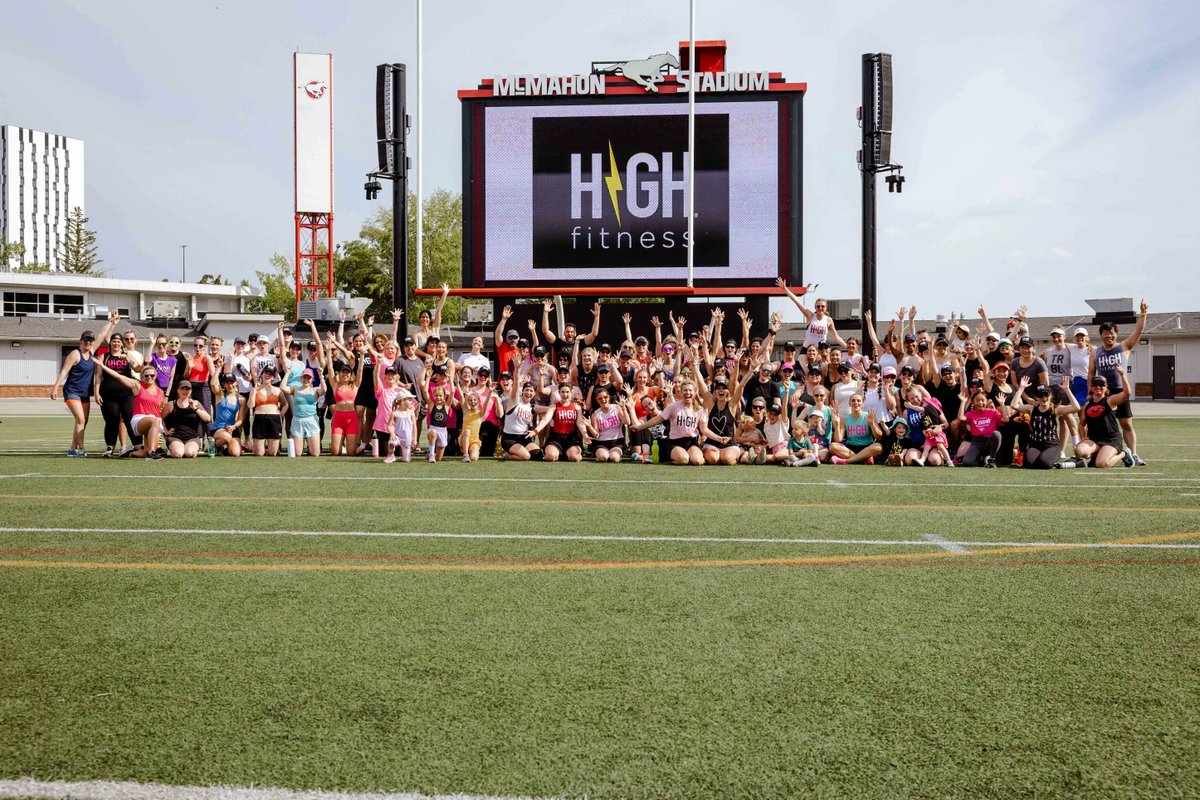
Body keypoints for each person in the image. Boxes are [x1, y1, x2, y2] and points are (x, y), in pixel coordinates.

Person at [1089, 301, 1149, 466]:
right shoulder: (1096, 351)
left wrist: (1143, 314)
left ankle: (1133, 455)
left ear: (1116, 334)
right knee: (1101, 425)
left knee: (1126, 423)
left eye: (1112, 333)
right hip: (1103, 393)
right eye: (1106, 333)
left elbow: (1138, 331)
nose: (1109, 336)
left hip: (1120, 390)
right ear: (1101, 335)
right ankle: (1099, 452)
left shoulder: (1124, 346)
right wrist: (1090, 391)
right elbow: (1091, 372)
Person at [632, 381, 727, 466]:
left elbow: (704, 429)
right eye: (685, 390)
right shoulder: (673, 406)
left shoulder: (699, 409)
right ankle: (676, 457)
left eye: (690, 390)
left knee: (698, 461)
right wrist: (639, 427)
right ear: (681, 392)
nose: (688, 393)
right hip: (675, 442)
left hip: (691, 442)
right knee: (683, 460)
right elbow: (657, 419)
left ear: (694, 392)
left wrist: (719, 438)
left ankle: (691, 455)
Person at [94, 361, 166, 460]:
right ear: (142, 377)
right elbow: (119, 377)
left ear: (156, 376)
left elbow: (159, 411)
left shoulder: (160, 392)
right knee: (154, 423)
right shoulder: (137, 386)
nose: (149, 377)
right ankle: (151, 454)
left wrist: (165, 428)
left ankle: (130, 453)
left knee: (144, 451)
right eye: (146, 376)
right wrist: (102, 366)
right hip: (140, 420)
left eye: (152, 375)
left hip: (155, 423)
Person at [1010, 376, 1080, 469]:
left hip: (1051, 446)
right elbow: (1013, 405)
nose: (1044, 398)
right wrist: (1021, 388)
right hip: (1035, 445)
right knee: (1028, 463)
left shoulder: (1055, 409)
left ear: (1050, 395)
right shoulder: (1031, 409)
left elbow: (1076, 407)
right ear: (1036, 397)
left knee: (1044, 463)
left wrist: (1067, 390)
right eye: (1041, 395)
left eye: (1046, 395)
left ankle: (1065, 464)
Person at [51, 329, 99, 456]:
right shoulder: (75, 354)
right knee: (81, 420)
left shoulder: (92, 352)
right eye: (86, 340)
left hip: (85, 393)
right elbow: (64, 371)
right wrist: (55, 388)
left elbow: (102, 335)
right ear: (81, 340)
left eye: (90, 340)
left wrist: (111, 322)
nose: (88, 342)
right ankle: (81, 450)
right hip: (72, 391)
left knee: (83, 422)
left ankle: (72, 449)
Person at [1075, 372, 1135, 469]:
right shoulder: (1087, 405)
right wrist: (1084, 437)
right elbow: (1082, 424)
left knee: (1102, 464)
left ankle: (1124, 454)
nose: (1098, 387)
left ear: (1106, 387)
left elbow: (1126, 393)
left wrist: (1122, 375)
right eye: (1095, 384)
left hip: (1111, 439)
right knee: (1079, 451)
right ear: (1091, 387)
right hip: (1095, 440)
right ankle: (1097, 454)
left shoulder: (1110, 401)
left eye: (1101, 385)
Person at [94, 331, 136, 458]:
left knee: (130, 420)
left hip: (126, 393)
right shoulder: (103, 356)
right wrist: (96, 392)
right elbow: (98, 376)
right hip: (108, 394)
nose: (116, 343)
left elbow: (138, 368)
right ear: (110, 343)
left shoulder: (127, 355)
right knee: (111, 420)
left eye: (118, 341)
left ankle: (137, 444)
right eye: (114, 341)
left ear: (122, 343)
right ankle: (110, 447)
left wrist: (129, 360)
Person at [776, 279, 846, 347]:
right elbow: (796, 300)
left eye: (822, 306)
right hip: (808, 349)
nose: (820, 308)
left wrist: (847, 347)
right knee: (801, 359)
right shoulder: (810, 315)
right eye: (818, 306)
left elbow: (836, 337)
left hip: (821, 349)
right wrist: (785, 289)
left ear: (826, 308)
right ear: (815, 307)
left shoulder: (828, 320)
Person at [539, 382, 590, 462]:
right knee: (550, 457)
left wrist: (585, 435)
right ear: (559, 392)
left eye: (567, 392)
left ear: (571, 392)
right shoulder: (553, 407)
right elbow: (545, 420)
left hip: (571, 439)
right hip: (556, 438)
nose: (565, 394)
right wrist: (535, 431)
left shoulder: (577, 408)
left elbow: (580, 423)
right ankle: (560, 453)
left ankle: (571, 453)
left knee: (574, 458)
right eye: (562, 392)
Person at [828, 395, 883, 465]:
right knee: (832, 446)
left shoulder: (869, 416)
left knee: (878, 447)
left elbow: (879, 436)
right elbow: (838, 440)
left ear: (863, 404)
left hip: (867, 448)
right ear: (849, 404)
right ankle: (863, 459)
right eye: (853, 400)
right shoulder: (844, 419)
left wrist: (872, 424)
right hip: (850, 449)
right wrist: (837, 424)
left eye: (858, 400)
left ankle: (846, 461)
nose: (856, 402)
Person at [162, 381, 211, 458]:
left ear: (190, 391)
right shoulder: (171, 404)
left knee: (189, 453)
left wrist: (195, 408)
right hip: (175, 437)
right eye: (182, 389)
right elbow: (160, 419)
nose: (184, 391)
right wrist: (165, 431)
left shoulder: (196, 403)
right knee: (178, 454)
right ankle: (173, 449)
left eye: (187, 389)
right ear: (178, 390)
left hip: (192, 437)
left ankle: (189, 448)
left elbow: (207, 418)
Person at [281, 369, 324, 457]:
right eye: (305, 377)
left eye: (309, 377)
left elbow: (324, 390)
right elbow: (282, 388)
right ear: (301, 378)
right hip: (298, 421)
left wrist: (321, 376)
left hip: (312, 421)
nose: (306, 379)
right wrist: (288, 373)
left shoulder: (315, 390)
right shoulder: (296, 389)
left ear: (312, 379)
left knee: (315, 453)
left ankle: (311, 446)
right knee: (297, 453)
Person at [500, 379, 543, 462]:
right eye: (526, 390)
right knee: (526, 456)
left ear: (534, 393)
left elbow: (550, 410)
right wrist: (517, 369)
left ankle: (519, 451)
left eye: (531, 391)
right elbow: (515, 386)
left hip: (524, 438)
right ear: (522, 391)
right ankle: (507, 456)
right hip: (509, 438)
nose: (529, 393)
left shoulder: (532, 407)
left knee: (538, 455)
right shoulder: (515, 401)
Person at [249, 366, 285, 457]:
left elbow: (285, 404)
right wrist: (254, 391)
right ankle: (260, 446)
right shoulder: (255, 390)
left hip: (274, 419)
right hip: (259, 419)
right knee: (259, 453)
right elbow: (250, 405)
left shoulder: (277, 390)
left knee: (272, 453)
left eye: (270, 374)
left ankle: (270, 447)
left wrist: (281, 415)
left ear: (273, 377)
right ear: (262, 375)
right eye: (266, 373)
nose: (267, 375)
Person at [588, 388, 630, 463]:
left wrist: (624, 408)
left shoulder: (616, 408)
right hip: (601, 443)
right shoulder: (595, 414)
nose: (603, 399)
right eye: (599, 398)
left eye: (605, 397)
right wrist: (589, 426)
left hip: (617, 442)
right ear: (597, 400)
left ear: (609, 397)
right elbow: (596, 435)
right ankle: (599, 455)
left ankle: (617, 455)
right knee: (603, 457)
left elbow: (627, 422)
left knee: (614, 458)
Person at [211, 374, 246, 457]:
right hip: (218, 429)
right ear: (224, 384)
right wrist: (219, 368)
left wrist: (234, 427)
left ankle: (222, 449)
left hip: (231, 429)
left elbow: (241, 419)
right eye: (227, 383)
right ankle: (216, 444)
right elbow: (213, 384)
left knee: (236, 453)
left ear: (236, 383)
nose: (230, 385)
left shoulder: (241, 399)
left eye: (232, 382)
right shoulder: (220, 395)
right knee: (226, 436)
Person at [384, 390, 418, 463]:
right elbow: (389, 426)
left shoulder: (411, 413)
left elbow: (414, 427)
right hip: (398, 437)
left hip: (407, 440)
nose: (411, 402)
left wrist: (414, 439)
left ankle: (405, 455)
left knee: (406, 460)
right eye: (409, 400)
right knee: (391, 442)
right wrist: (392, 434)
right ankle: (391, 455)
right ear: (403, 401)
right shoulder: (395, 413)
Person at [459, 390, 485, 463]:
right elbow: (461, 397)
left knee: (473, 458)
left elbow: (485, 404)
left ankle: (470, 451)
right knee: (467, 431)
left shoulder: (480, 414)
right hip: (464, 438)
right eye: (470, 400)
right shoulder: (466, 412)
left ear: (479, 401)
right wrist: (457, 384)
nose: (473, 402)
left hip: (474, 440)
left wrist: (490, 393)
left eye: (475, 400)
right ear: (468, 402)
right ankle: (465, 455)